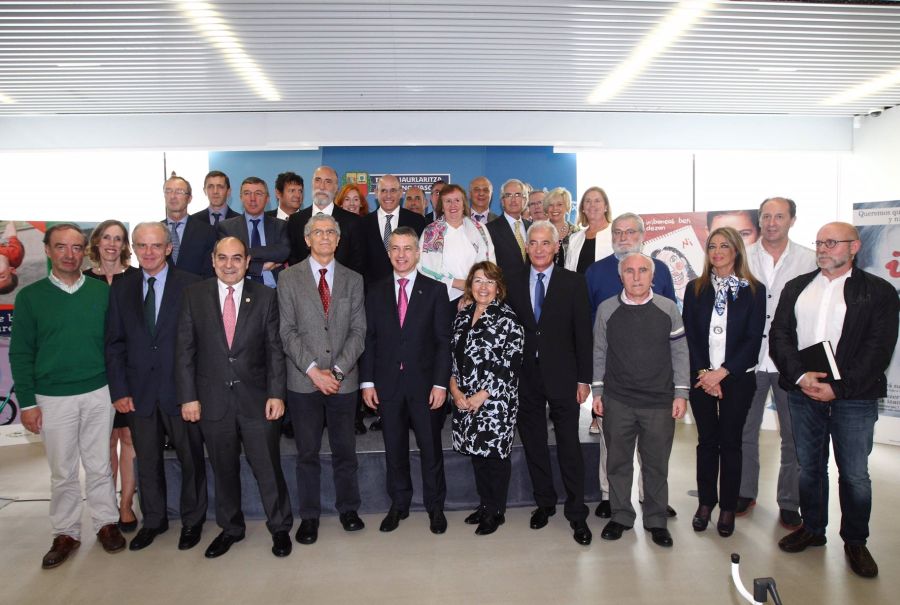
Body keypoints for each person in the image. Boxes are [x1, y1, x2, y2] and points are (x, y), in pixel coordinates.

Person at [770, 222, 899, 579]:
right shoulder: (798, 287)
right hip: (803, 393)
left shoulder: (879, 292)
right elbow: (780, 335)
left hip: (853, 398)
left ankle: (855, 541)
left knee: (855, 475)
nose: (823, 248)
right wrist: (799, 376)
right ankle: (813, 529)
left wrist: (838, 389)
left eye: (832, 242)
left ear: (854, 247)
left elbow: (878, 350)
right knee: (809, 468)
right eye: (819, 242)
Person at [10, 223, 126, 569]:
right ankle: (66, 532)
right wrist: (28, 404)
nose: (69, 254)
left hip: (98, 391)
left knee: (100, 465)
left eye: (76, 247)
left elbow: (115, 345)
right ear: (47, 250)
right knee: (62, 470)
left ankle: (106, 523)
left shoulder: (101, 293)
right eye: (61, 247)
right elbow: (21, 353)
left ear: (84, 251)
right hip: (53, 397)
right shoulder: (30, 298)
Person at [175, 236, 292, 559]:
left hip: (257, 400)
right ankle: (231, 528)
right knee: (223, 470)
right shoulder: (193, 296)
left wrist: (276, 394)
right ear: (213, 260)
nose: (229, 264)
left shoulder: (266, 296)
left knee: (268, 467)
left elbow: (275, 351)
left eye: (236, 258)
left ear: (247, 261)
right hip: (211, 401)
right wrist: (188, 397)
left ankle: (280, 527)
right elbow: (184, 351)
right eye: (223, 258)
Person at [105, 222, 207, 551]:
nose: (148, 252)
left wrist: (194, 391)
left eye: (155, 246)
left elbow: (201, 345)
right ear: (133, 249)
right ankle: (154, 520)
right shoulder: (122, 288)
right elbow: (114, 343)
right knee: (146, 462)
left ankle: (193, 521)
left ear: (167, 248)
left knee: (191, 460)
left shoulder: (192, 285)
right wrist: (119, 390)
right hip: (138, 395)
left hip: (181, 393)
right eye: (141, 246)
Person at [278, 214, 367, 545]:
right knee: (307, 453)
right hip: (304, 382)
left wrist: (338, 372)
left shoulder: (353, 279)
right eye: (319, 232)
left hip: (344, 381)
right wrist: (314, 371)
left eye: (331, 232)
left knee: (345, 450)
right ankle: (310, 516)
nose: (325, 237)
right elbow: (286, 332)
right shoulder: (288, 279)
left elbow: (359, 331)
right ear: (307, 239)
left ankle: (348, 509)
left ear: (339, 239)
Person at [506, 221, 594, 546]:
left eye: (546, 243)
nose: (540, 248)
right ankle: (544, 503)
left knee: (570, 445)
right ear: (526, 247)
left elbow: (583, 335)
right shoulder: (512, 282)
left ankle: (576, 512)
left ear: (557, 247)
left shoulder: (574, 283)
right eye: (534, 243)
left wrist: (585, 379)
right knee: (534, 443)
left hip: (565, 377)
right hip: (525, 378)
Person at [592, 253, 689, 547]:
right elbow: (599, 352)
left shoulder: (668, 309)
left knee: (656, 464)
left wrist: (681, 393)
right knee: (619, 463)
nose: (636, 277)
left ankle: (656, 519)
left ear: (653, 275)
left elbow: (680, 353)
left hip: (659, 402)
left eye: (643, 271)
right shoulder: (607, 310)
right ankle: (621, 515)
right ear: (621, 276)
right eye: (630, 271)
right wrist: (597, 392)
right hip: (618, 400)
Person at [583, 212, 677, 515]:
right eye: (618, 233)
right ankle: (611, 497)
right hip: (614, 380)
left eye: (630, 232)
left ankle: (651, 498)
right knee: (614, 446)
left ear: (643, 236)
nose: (624, 238)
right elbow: (589, 327)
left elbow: (673, 321)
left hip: (654, 380)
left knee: (653, 450)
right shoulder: (595, 272)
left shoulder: (659, 269)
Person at [360, 226, 452, 534]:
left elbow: (443, 342)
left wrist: (441, 384)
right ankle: (399, 504)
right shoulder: (375, 290)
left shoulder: (436, 290)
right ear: (389, 254)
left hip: (426, 387)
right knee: (393, 448)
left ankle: (435, 507)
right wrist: (367, 382)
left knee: (431, 449)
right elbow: (370, 339)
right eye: (395, 249)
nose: (401, 255)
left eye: (407, 249)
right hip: (387, 385)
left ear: (418, 252)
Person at [682, 226, 765, 538]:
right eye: (712, 246)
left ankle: (728, 506)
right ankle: (706, 503)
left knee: (731, 443)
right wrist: (705, 373)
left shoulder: (754, 290)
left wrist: (723, 372)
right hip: (702, 378)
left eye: (724, 246)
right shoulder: (695, 289)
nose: (717, 252)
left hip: (737, 378)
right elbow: (689, 334)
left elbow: (752, 339)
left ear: (736, 251)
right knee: (706, 442)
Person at [738, 197, 816, 528]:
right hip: (750, 361)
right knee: (744, 430)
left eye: (779, 216)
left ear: (792, 220)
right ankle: (744, 490)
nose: (772, 222)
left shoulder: (810, 260)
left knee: (793, 436)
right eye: (766, 216)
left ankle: (789, 501)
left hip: (792, 363)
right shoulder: (743, 257)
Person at [449, 261, 524, 536]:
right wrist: (456, 392)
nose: (483, 286)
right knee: (477, 456)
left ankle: (496, 512)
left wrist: (481, 396)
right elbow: (453, 360)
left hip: (495, 403)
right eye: (478, 280)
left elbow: (510, 364)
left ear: (498, 287)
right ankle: (484, 505)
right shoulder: (462, 315)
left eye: (489, 281)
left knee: (494, 457)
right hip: (465, 401)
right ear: (470, 285)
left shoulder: (508, 320)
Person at [84, 220, 140, 532]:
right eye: (106, 237)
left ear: (124, 245)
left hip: (129, 370)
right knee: (103, 442)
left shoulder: (135, 278)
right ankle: (105, 505)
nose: (112, 243)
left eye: (118, 238)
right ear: (97, 241)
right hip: (95, 371)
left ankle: (126, 503)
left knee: (129, 437)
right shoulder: (83, 280)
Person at [418, 184, 495, 313]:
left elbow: (489, 264)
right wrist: (456, 283)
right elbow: (424, 267)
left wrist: (471, 293)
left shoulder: (479, 229)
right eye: (448, 201)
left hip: (477, 298)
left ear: (463, 203)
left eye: (457, 200)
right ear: (442, 206)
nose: (453, 205)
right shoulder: (431, 232)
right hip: (440, 300)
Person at [288, 167, 365, 275]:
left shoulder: (353, 222)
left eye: (328, 182)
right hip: (303, 289)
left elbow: (358, 264)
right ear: (312, 184)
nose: (322, 187)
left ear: (336, 188)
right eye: (318, 180)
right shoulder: (295, 221)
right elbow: (293, 261)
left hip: (342, 289)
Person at [218, 176, 290, 287]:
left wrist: (244, 252)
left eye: (258, 193)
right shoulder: (227, 228)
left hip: (274, 290)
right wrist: (261, 267)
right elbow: (228, 263)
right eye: (247, 193)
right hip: (240, 290)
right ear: (241, 197)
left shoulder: (280, 225)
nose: (252, 198)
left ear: (267, 198)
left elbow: (282, 253)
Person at [362, 174, 428, 287]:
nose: (388, 195)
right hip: (373, 294)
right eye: (383, 190)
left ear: (400, 193)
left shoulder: (417, 222)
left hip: (410, 291)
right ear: (376, 193)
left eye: (393, 190)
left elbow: (423, 259)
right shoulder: (363, 224)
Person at [163, 175, 216, 277]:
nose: (173, 196)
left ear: (189, 198)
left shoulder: (207, 232)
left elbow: (210, 273)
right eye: (168, 191)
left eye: (179, 192)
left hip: (196, 290)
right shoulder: (154, 231)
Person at [485, 179, 531, 277]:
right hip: (504, 289)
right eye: (508, 195)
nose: (513, 200)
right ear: (502, 201)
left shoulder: (532, 228)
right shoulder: (489, 229)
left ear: (525, 200)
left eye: (518, 195)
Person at [565, 186, 614, 274]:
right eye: (588, 201)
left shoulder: (616, 234)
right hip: (578, 287)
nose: (592, 205)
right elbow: (568, 271)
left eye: (597, 201)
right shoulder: (574, 238)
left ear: (606, 207)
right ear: (583, 208)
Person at [542, 187, 577, 267]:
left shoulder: (577, 232)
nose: (555, 208)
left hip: (571, 278)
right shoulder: (539, 231)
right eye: (551, 205)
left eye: (559, 204)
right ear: (546, 208)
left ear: (567, 206)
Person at [0, 222, 25, 294]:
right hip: (9, 246)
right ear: (12, 270)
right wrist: (10, 222)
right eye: (2, 276)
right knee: (6, 237)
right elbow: (11, 232)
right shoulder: (14, 253)